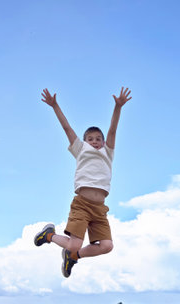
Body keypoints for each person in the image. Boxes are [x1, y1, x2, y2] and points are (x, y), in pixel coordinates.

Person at [34, 86, 132, 277]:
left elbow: (112, 130)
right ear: (84, 141)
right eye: (90, 139)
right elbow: (67, 128)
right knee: (73, 243)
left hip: (100, 209)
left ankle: (74, 257)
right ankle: (49, 235)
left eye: (98, 139)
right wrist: (55, 105)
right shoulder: (80, 149)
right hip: (82, 204)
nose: (94, 141)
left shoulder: (108, 152)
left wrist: (118, 107)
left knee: (107, 246)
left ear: (103, 143)